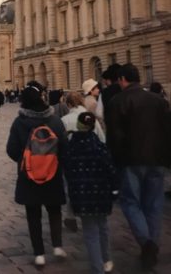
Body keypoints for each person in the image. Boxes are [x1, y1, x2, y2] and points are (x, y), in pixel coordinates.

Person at [105, 63, 170, 270]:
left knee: (131, 203)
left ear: (122, 79)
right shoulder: (158, 100)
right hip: (157, 160)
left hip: (130, 160)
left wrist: (115, 162)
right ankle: (152, 243)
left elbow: (114, 136)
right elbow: (167, 131)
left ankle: (147, 242)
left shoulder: (117, 101)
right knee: (154, 204)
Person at [6, 81, 68, 267]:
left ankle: (39, 253)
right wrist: (54, 160)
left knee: (33, 214)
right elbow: (65, 147)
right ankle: (57, 245)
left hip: (29, 174)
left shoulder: (19, 122)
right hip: (52, 171)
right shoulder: (55, 120)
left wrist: (25, 160)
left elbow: (11, 149)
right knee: (54, 209)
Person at [63, 112, 117, 274]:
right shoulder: (101, 147)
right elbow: (111, 171)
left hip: (82, 196)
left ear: (79, 126)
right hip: (101, 194)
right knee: (103, 226)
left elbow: (67, 173)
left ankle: (97, 268)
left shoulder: (71, 148)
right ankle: (106, 259)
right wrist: (114, 190)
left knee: (90, 232)